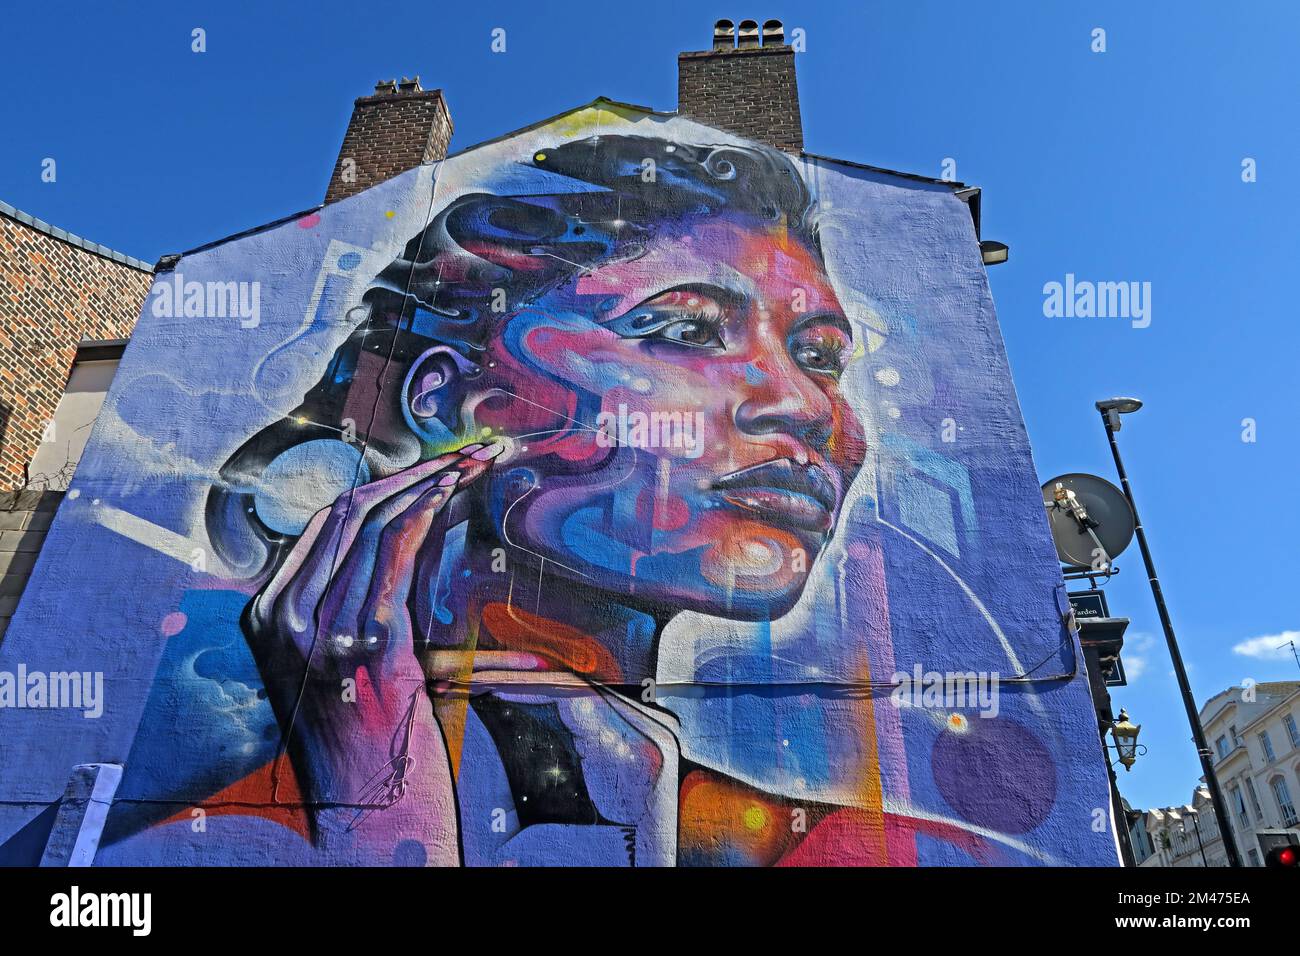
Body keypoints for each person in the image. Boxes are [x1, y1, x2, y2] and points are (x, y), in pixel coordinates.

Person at [205, 134, 993, 866]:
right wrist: (375, 811)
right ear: (454, 402)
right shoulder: (207, 840)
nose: (809, 407)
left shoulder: (882, 852)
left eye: (821, 356)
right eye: (687, 331)